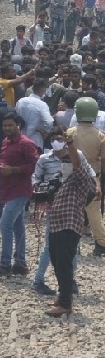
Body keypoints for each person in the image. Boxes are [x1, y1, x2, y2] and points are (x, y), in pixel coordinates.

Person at [44, 135, 96, 317]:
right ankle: (63, 295)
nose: (65, 165)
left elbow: (77, 163)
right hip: (56, 226)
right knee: (57, 262)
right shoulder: (61, 181)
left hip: (69, 226)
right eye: (63, 162)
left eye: (68, 162)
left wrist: (71, 145)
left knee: (64, 264)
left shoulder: (80, 179)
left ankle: (66, 304)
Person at [66, 98, 105, 256]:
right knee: (94, 213)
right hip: (94, 179)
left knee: (73, 210)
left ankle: (72, 243)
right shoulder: (101, 136)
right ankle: (101, 243)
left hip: (72, 177)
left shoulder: (70, 133)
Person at [0, 112, 39, 276]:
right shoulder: (5, 142)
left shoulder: (27, 144)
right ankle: (20, 263)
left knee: (5, 224)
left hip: (20, 191)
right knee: (18, 227)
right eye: (5, 125)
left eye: (10, 125)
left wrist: (14, 170)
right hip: (6, 189)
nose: (7, 128)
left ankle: (5, 264)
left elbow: (34, 166)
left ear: (18, 126)